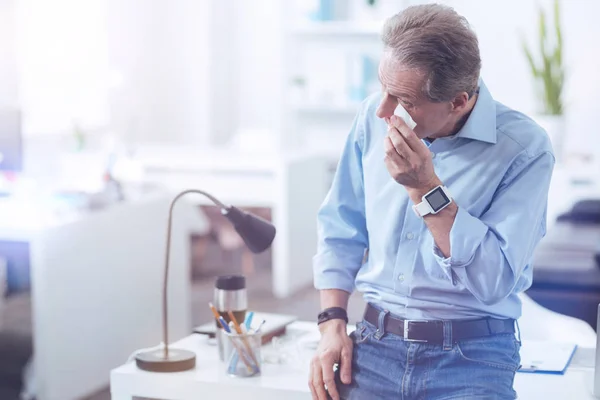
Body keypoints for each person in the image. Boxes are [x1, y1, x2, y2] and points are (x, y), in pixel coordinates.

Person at [309, 4, 554, 400]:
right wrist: (331, 323)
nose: (382, 110)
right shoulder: (370, 120)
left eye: (403, 99)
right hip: (373, 344)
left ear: (458, 102)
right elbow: (341, 227)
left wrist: (425, 189)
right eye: (383, 88)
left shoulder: (524, 150)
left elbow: (493, 282)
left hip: (472, 357)